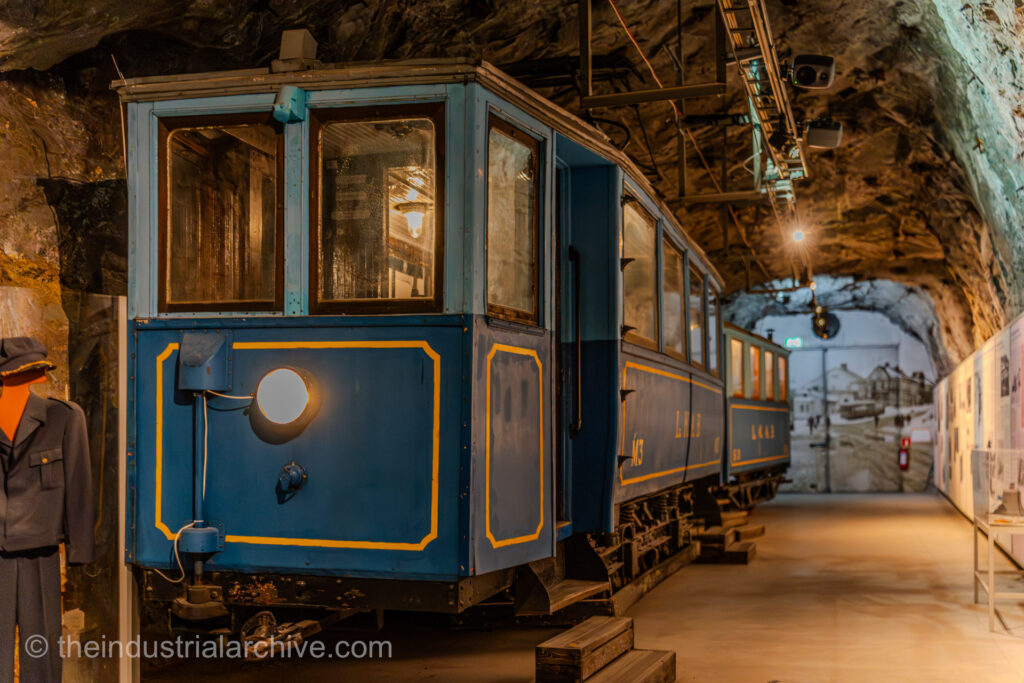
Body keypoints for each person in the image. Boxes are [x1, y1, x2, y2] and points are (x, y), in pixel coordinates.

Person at [0, 337, 95, 683]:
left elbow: (79, 487)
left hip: (40, 551)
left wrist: (79, 552)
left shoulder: (64, 418)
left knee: (39, 655)